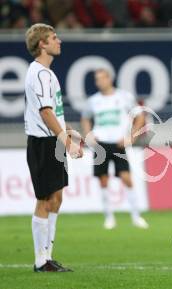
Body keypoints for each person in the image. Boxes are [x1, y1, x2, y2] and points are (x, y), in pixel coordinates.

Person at [24, 23, 84, 272]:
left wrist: (67, 130)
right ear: (42, 44)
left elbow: (55, 110)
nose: (59, 40)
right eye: (53, 37)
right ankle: (41, 261)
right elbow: (45, 112)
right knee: (45, 199)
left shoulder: (47, 73)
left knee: (56, 198)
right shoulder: (39, 73)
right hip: (43, 142)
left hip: (52, 139)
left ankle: (47, 256)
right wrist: (65, 140)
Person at [81, 68, 148, 230]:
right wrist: (89, 135)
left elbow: (140, 117)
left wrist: (131, 137)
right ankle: (109, 217)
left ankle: (136, 216)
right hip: (101, 144)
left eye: (102, 78)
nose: (99, 82)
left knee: (126, 178)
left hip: (119, 143)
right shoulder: (93, 101)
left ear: (109, 79)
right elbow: (85, 118)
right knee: (103, 180)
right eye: (96, 79)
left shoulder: (124, 97)